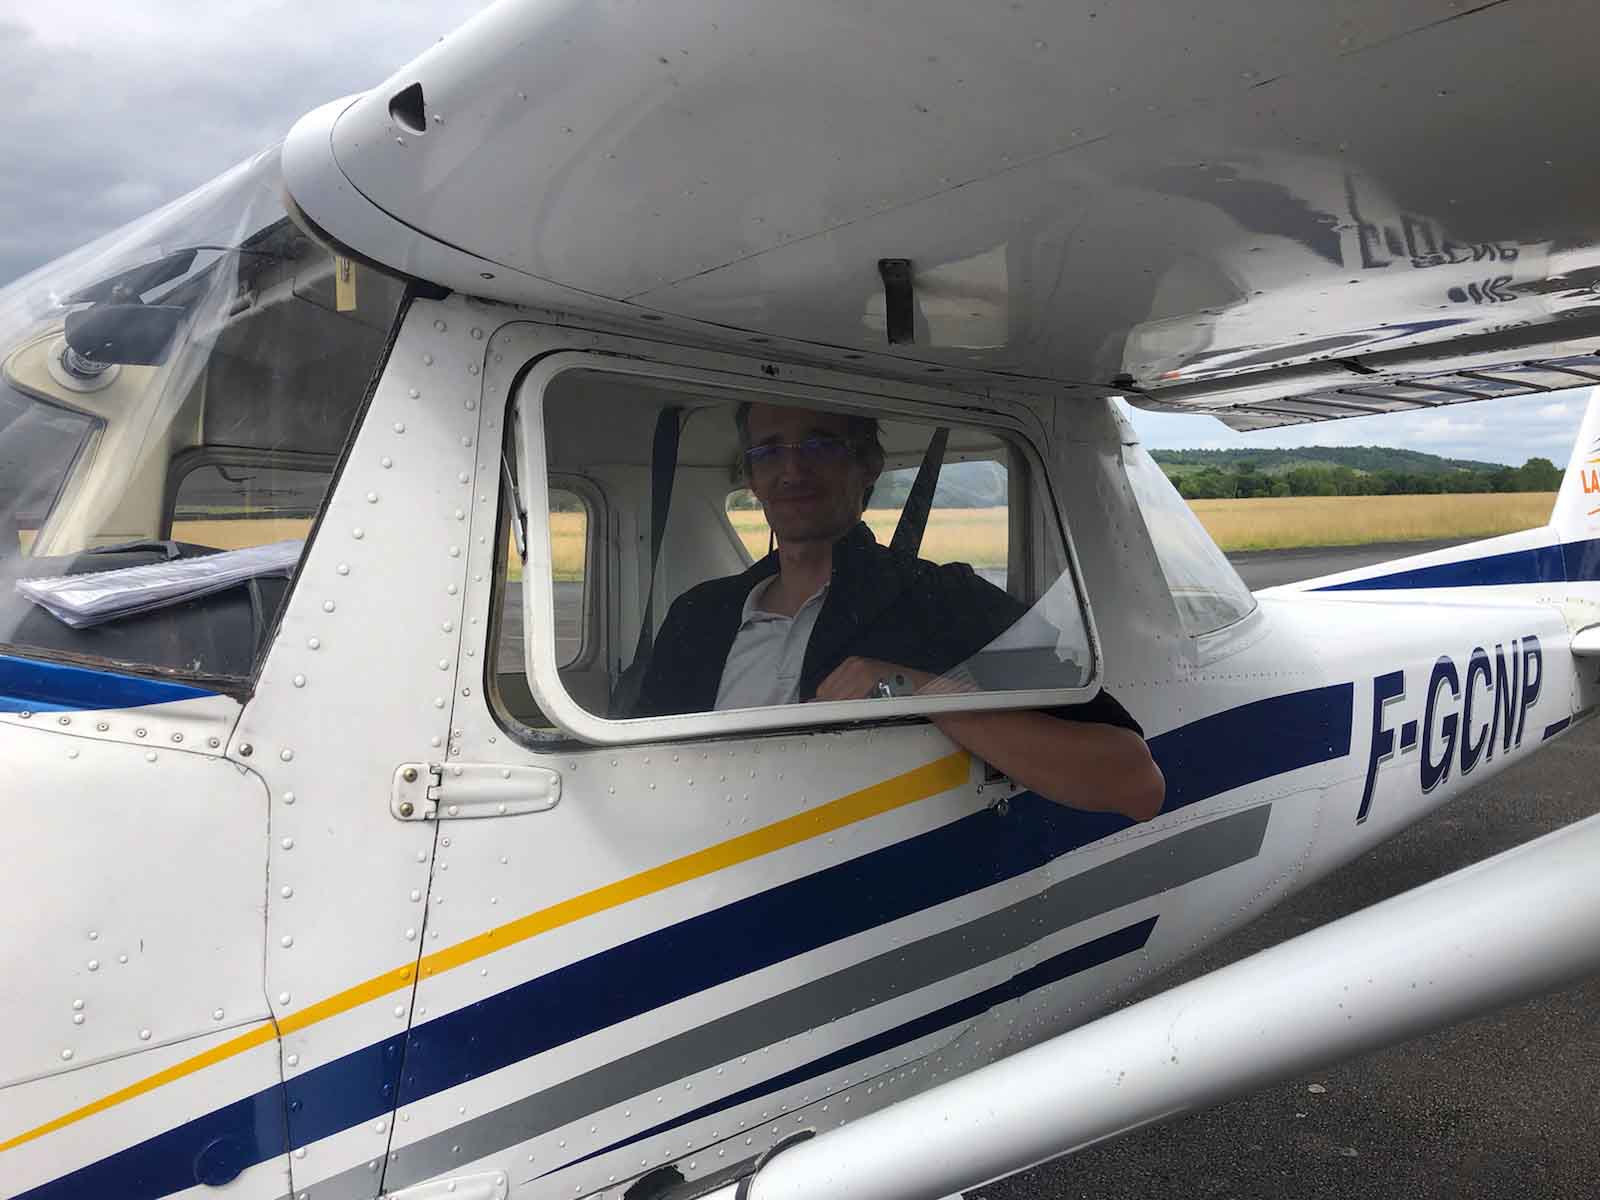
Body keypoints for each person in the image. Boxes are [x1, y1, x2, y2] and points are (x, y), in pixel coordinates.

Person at [634, 401, 1165, 821]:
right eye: (769, 451)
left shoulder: (943, 602)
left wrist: (916, 689)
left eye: (819, 444)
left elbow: (1135, 782)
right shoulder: (697, 616)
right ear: (751, 477)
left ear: (868, 465)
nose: (792, 469)